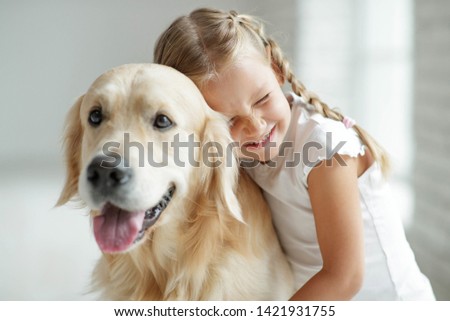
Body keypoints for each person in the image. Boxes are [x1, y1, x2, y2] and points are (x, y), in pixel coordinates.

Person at [153, 7, 435, 300]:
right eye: (229, 120)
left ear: (276, 71)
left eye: (262, 99)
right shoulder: (230, 151)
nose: (255, 126)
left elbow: (345, 276)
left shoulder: (324, 150)